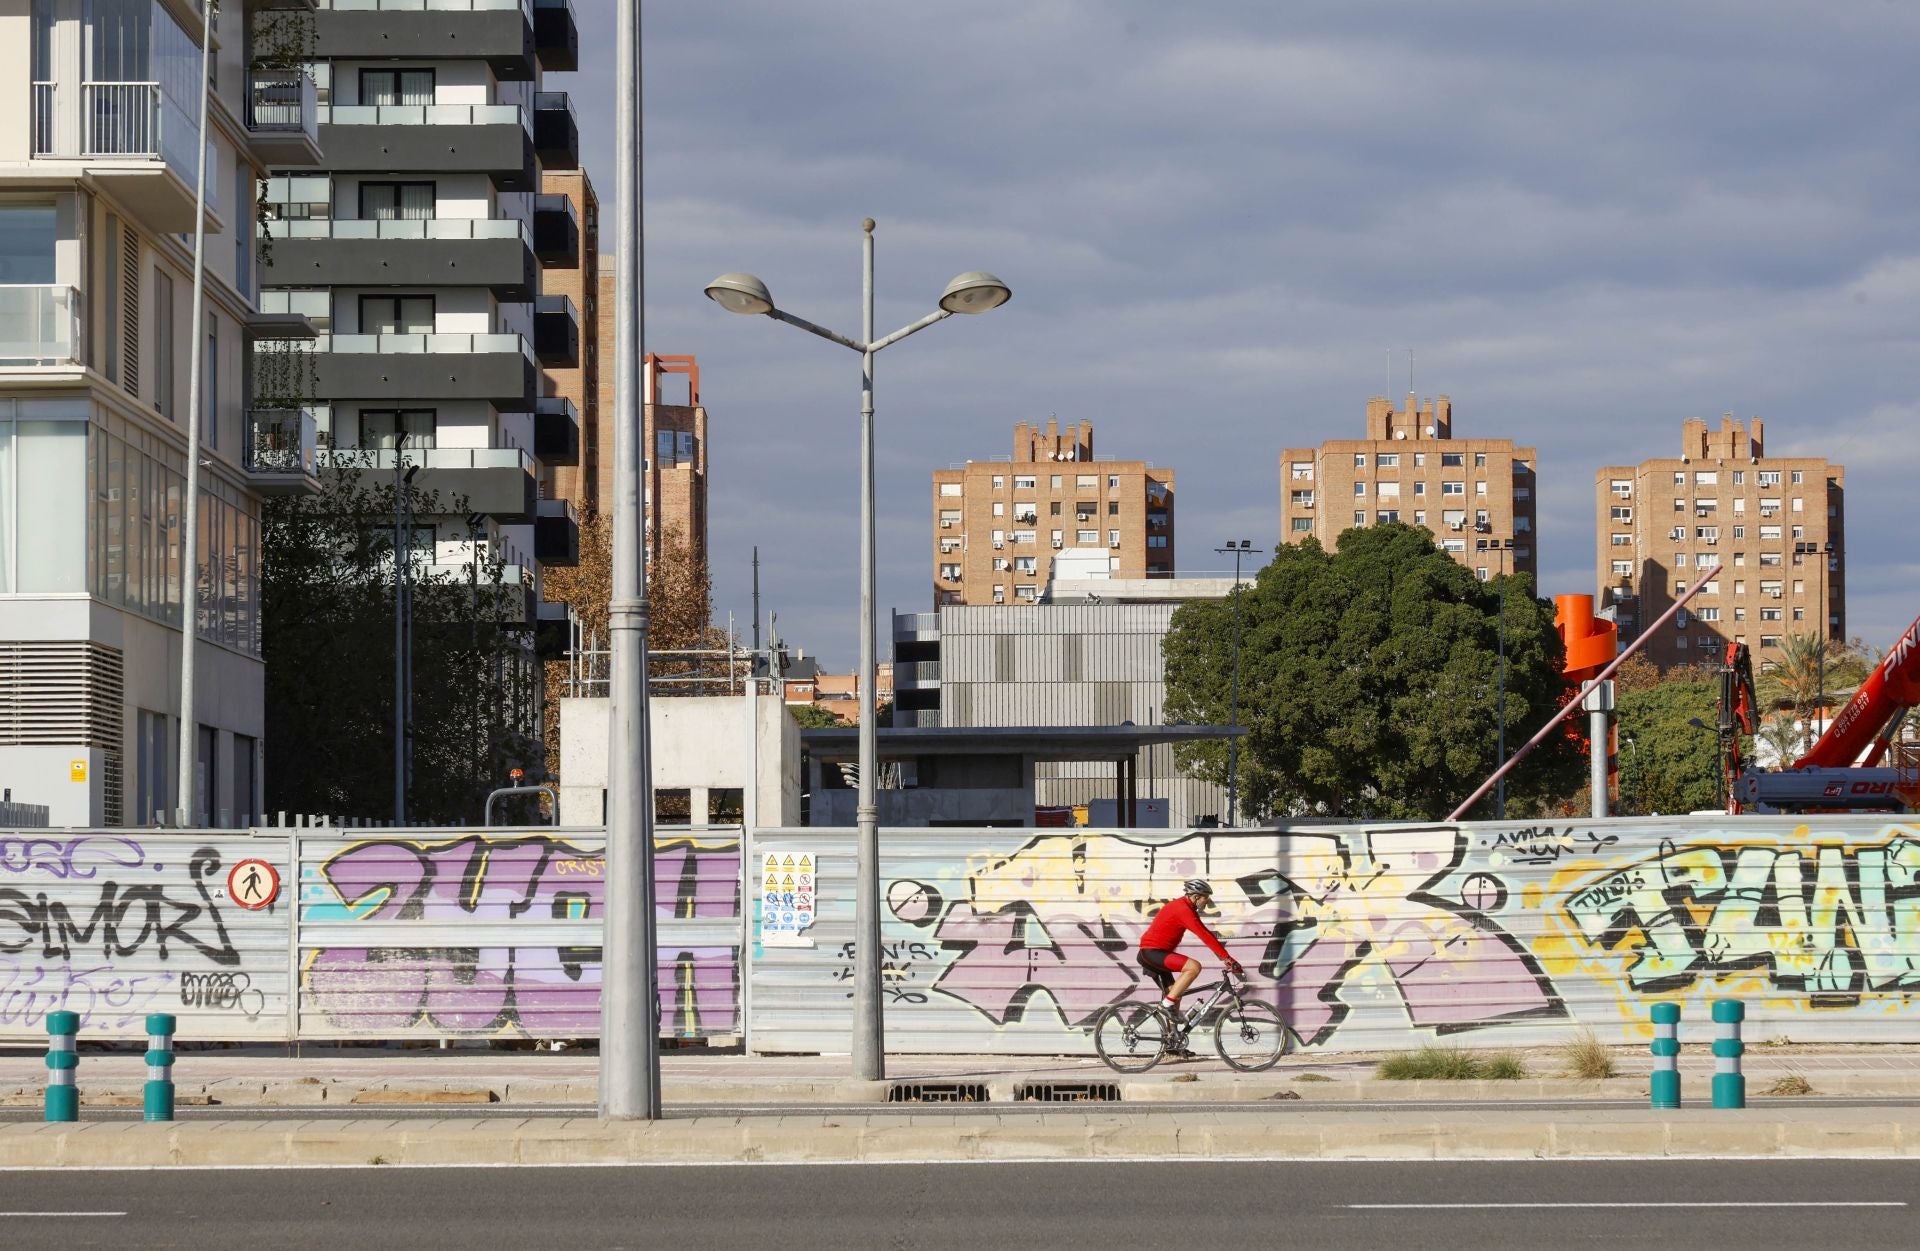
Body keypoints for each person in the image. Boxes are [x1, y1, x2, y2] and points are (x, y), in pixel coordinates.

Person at [1137, 878, 1242, 1025]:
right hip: (1152, 953)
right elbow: (1204, 935)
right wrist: (1228, 959)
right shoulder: (1183, 909)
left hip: (1154, 953)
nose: (1208, 902)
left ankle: (1172, 1044)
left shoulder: (1185, 907)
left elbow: (1205, 933)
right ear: (1196, 897)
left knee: (1175, 995)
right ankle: (1165, 1005)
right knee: (1193, 967)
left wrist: (1224, 957)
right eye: (1206, 898)